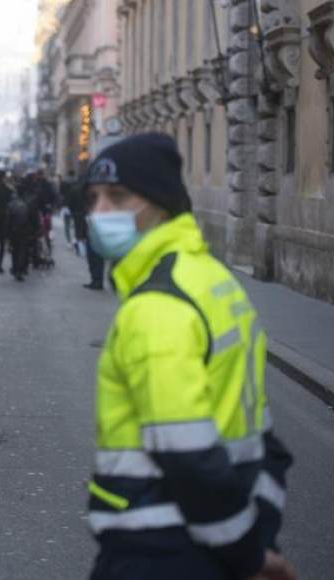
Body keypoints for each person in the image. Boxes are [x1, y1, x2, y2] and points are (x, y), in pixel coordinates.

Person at [84, 134, 295, 580]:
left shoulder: (156, 307)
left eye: (117, 197)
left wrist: (248, 557)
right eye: (94, 198)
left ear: (160, 202)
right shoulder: (211, 278)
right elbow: (261, 433)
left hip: (158, 545)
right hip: (216, 533)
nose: (99, 213)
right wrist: (256, 535)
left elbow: (187, 451)